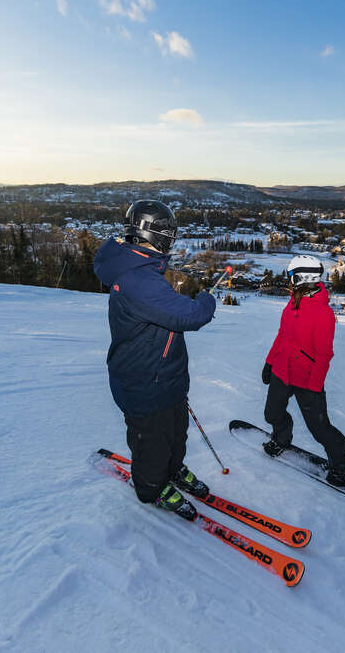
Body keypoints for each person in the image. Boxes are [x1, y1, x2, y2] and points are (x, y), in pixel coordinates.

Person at [94, 200, 216, 520]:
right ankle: (150, 486)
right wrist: (205, 298)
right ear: (150, 233)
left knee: (176, 433)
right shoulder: (138, 280)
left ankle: (171, 470)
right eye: (168, 233)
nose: (172, 239)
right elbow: (191, 315)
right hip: (144, 382)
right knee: (153, 443)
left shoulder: (142, 267)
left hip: (164, 378)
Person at [261, 254, 345, 486]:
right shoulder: (291, 304)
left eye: (291, 276)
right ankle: (282, 439)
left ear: (301, 278)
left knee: (320, 429)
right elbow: (282, 336)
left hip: (307, 378)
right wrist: (270, 362)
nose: (289, 280)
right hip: (282, 371)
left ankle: (340, 464)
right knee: (272, 414)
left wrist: (314, 386)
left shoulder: (323, 314)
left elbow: (324, 355)